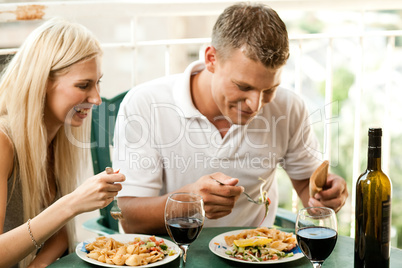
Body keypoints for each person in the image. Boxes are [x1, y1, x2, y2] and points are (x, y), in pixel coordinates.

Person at [113, 3, 348, 234]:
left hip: (255, 254)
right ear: (211, 58)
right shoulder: (144, 104)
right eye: (243, 86)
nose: (256, 105)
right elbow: (130, 220)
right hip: (171, 253)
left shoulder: (288, 107)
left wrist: (326, 195)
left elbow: (310, 191)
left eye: (269, 90)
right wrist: (188, 201)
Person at [0, 18, 125, 268]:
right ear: (44, 82)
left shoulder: (58, 138)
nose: (97, 98)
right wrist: (72, 204)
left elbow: (61, 233)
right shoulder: (4, 144)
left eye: (97, 82)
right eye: (83, 85)